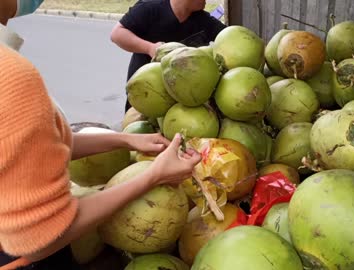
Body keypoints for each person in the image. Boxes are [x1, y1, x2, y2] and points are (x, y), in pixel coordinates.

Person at [0, 0, 202, 269]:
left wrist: (127, 139)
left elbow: (28, 148)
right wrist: (154, 176)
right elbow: (39, 240)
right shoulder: (10, 76)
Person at [110, 0, 227, 112]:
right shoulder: (150, 8)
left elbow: (229, 36)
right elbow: (117, 34)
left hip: (183, 101)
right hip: (146, 95)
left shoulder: (203, 21)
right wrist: (150, 48)